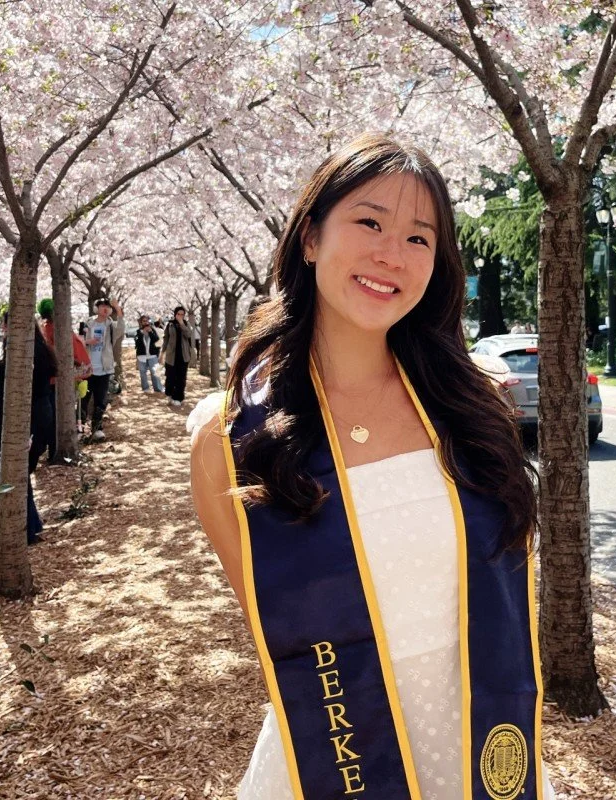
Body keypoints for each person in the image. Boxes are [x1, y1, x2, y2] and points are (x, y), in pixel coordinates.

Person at [190, 134, 556, 799]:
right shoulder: (234, 440)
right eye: (369, 222)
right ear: (310, 237)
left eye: (419, 238)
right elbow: (283, 638)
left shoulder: (471, 410)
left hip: (482, 747)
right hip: (334, 757)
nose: (393, 255)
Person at [0, 314, 57, 544]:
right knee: (19, 474)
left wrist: (27, 432)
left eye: (6, 324)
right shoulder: (33, 348)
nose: (3, 328)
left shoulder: (28, 352)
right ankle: (30, 524)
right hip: (28, 420)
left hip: (26, 422)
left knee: (12, 473)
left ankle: (24, 528)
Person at [37, 298, 92, 461]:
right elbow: (69, 353)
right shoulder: (58, 330)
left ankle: (51, 449)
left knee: (53, 416)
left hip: (51, 379)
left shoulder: (45, 329)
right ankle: (55, 451)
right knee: (57, 417)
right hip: (59, 379)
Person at [81, 298, 125, 442]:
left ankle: (97, 429)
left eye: (108, 307)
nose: (105, 309)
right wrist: (89, 342)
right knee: (83, 399)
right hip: (87, 368)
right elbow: (78, 341)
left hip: (104, 369)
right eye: (102, 306)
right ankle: (80, 427)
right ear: (96, 308)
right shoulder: (88, 323)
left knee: (101, 400)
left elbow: (121, 328)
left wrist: (117, 308)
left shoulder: (111, 325)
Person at [160, 306, 193, 407]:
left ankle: (179, 398)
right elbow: (166, 339)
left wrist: (182, 324)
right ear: (175, 314)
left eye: (182, 314)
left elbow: (188, 334)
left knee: (181, 378)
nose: (180, 316)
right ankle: (170, 396)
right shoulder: (170, 325)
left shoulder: (186, 324)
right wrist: (162, 353)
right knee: (170, 377)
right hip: (171, 356)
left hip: (183, 356)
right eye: (178, 314)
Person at [134, 315, 163, 393]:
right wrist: (142, 334)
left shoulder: (153, 330)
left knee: (155, 372)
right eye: (144, 321)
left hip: (152, 355)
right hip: (142, 356)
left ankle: (158, 388)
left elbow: (156, 339)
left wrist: (150, 332)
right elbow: (137, 344)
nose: (146, 322)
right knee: (143, 373)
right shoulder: (138, 331)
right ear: (141, 322)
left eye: (147, 321)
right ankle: (145, 388)